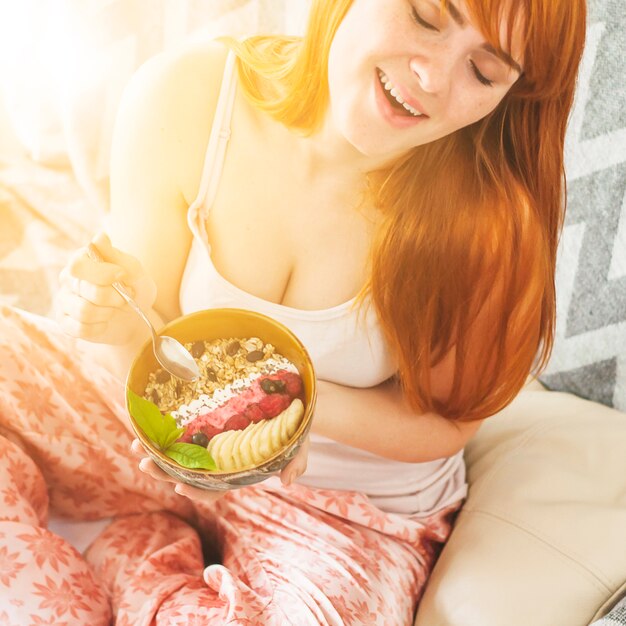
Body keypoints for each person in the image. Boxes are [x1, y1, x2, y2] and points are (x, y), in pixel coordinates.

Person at [0, 0, 586, 624]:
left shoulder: (491, 221)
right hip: (159, 431)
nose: (433, 76)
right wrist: (118, 322)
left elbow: (444, 422)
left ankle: (138, 563)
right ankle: (131, 556)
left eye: (484, 72)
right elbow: (153, 325)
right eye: (424, 17)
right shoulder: (189, 96)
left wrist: (286, 409)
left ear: (510, 96)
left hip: (339, 508)